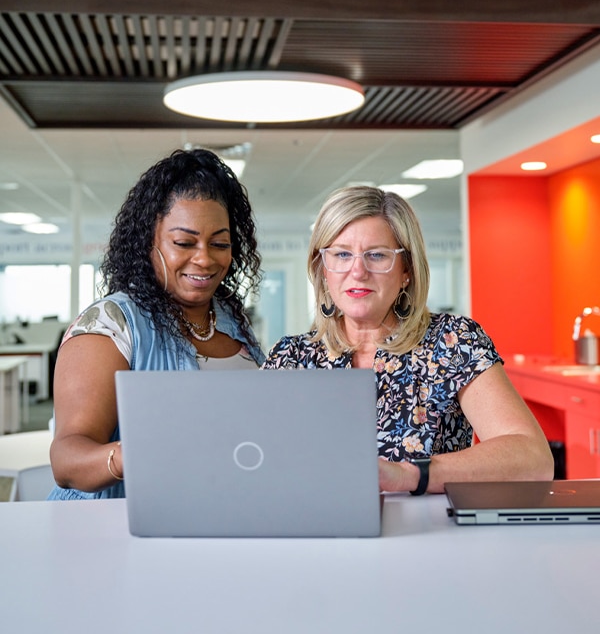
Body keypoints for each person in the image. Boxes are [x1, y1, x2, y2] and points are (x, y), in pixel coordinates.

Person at [262, 186, 554, 495]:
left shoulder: (452, 343)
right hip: (319, 533)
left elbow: (534, 459)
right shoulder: (290, 357)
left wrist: (407, 475)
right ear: (323, 269)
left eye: (376, 255)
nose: (357, 271)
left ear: (407, 271)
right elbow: (252, 459)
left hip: (429, 535)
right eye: (342, 254)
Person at [48, 148, 264, 500]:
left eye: (220, 243)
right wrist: (131, 455)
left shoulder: (233, 323)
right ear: (148, 241)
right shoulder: (111, 324)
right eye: (184, 242)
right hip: (116, 534)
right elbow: (67, 461)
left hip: (214, 518)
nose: (205, 258)